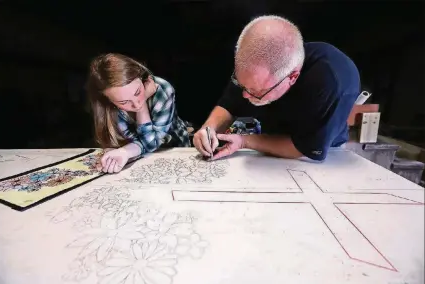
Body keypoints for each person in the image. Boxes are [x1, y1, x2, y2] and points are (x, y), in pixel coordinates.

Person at [193, 15, 360, 162]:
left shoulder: (331, 81)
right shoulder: (254, 67)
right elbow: (228, 105)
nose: (244, 95)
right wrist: (209, 129)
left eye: (255, 92)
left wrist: (244, 141)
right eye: (242, 85)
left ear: (292, 77)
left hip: (319, 154)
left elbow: (303, 148)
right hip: (269, 140)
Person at [86, 53, 191, 173]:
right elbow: (134, 143)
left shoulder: (163, 89)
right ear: (108, 100)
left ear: (142, 78)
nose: (136, 104)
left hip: (174, 148)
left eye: (137, 92)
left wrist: (143, 106)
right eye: (124, 102)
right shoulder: (107, 105)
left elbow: (151, 143)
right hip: (138, 155)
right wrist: (121, 152)